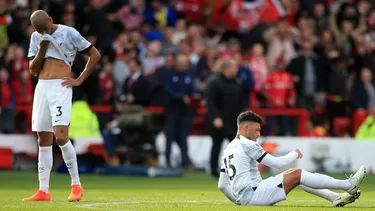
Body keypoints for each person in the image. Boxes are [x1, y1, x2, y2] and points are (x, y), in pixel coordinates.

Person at [23, 10, 101, 202]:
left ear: (51, 19)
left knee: (61, 136)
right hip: (42, 87)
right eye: (39, 30)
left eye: (45, 28)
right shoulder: (37, 37)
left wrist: (80, 79)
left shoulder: (69, 33)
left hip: (60, 86)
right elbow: (33, 70)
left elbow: (95, 54)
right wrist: (42, 46)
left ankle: (76, 185)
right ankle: (43, 190)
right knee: (43, 137)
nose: (43, 31)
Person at [218, 111, 367, 206]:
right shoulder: (248, 144)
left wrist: (238, 202)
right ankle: (348, 185)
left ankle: (334, 197)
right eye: (256, 130)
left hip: (248, 196)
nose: (258, 134)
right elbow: (276, 163)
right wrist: (294, 153)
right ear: (245, 129)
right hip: (254, 194)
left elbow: (222, 185)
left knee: (293, 175)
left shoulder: (229, 148)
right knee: (297, 174)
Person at [205, 59, 244, 178]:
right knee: (216, 145)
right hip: (219, 120)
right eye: (234, 68)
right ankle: (213, 170)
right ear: (227, 69)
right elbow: (210, 102)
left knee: (236, 148)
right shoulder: (214, 82)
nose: (236, 70)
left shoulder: (237, 82)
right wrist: (215, 117)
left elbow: (240, 102)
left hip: (233, 121)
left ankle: (236, 170)